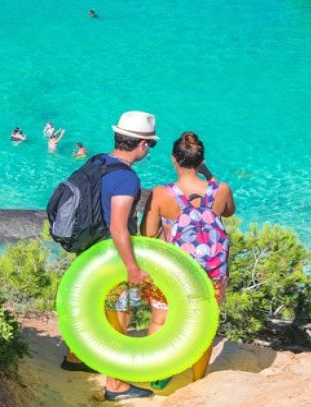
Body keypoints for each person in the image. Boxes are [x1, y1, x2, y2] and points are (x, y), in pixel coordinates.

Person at [60, 111, 159, 401]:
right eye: (150, 145)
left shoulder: (97, 162)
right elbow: (118, 227)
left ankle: (75, 357)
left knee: (89, 304)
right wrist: (132, 267)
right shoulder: (126, 179)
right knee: (120, 314)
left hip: (87, 247)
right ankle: (115, 385)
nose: (148, 150)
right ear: (141, 145)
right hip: (111, 257)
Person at [141, 131, 235, 383]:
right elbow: (229, 211)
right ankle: (198, 379)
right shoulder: (221, 189)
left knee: (161, 319)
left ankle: (158, 374)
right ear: (201, 159)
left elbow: (148, 235)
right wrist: (208, 173)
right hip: (210, 273)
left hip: (174, 270)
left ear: (174, 159)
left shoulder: (161, 194)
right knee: (203, 325)